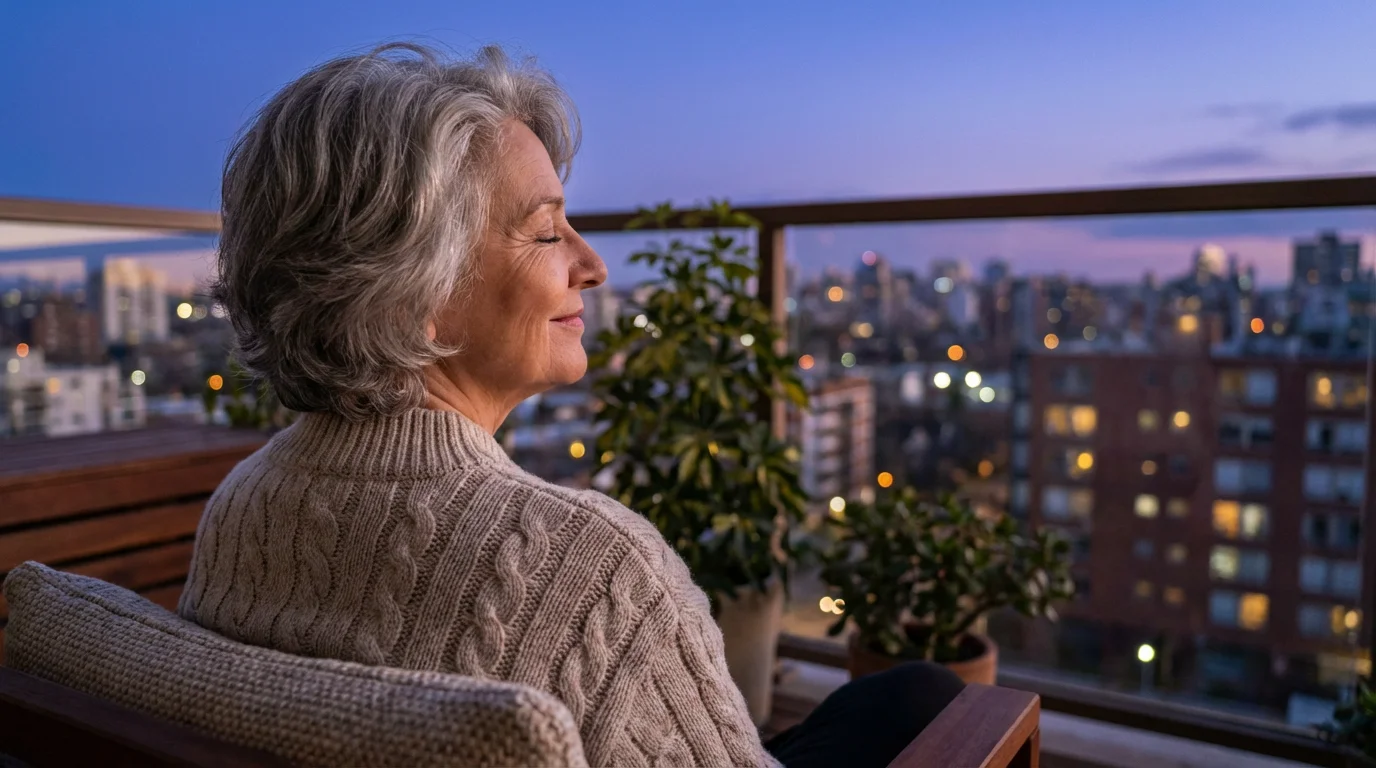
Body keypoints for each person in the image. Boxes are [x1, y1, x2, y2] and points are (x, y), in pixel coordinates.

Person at [179, 42, 962, 767]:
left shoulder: (244, 506)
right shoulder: (589, 570)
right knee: (928, 703)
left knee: (903, 698)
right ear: (414, 292)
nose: (591, 265)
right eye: (547, 232)